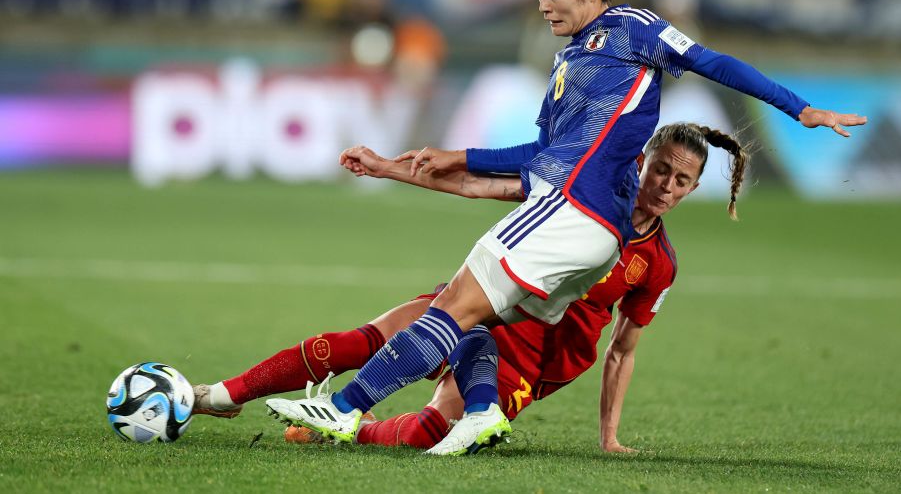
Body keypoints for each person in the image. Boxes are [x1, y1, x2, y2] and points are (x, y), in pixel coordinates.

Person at [265, 0, 867, 455]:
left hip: (576, 211)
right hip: (580, 221)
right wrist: (449, 158)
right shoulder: (566, 65)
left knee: (453, 304)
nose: (544, 6)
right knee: (474, 321)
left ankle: (344, 410)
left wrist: (800, 108)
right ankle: (476, 414)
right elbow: (539, 156)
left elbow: (714, 63)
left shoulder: (633, 28)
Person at [196, 123, 745, 454]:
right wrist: (388, 168)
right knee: (366, 340)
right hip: (491, 296)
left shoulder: (658, 264)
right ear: (642, 160)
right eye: (660, 171)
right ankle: (218, 395)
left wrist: (609, 437)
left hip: (538, 357)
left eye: (681, 182)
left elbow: (622, 350)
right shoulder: (587, 190)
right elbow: (482, 186)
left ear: (693, 188)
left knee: (429, 433)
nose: (665, 188)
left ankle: (341, 431)